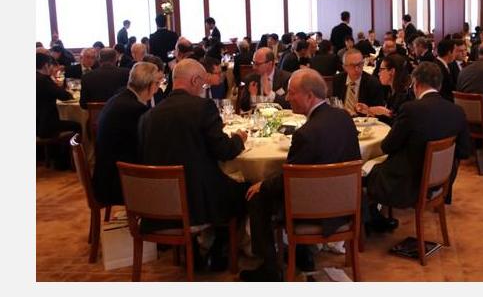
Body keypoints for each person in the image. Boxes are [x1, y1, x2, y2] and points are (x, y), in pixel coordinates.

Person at [240, 68, 362, 281]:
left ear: (309, 96)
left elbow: (290, 178)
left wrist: (262, 184)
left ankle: (270, 267)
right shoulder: (343, 117)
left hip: (316, 210)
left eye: (291, 93)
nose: (287, 98)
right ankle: (303, 254)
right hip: (346, 204)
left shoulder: (306, 134)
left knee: (256, 195)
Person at [137, 59, 248, 271]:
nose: (203, 89)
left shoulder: (148, 116)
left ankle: (194, 250)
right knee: (245, 190)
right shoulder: (203, 108)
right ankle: (218, 249)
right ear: (195, 80)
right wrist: (238, 139)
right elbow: (224, 151)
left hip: (156, 204)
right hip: (195, 204)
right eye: (203, 84)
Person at [365, 62, 472, 230]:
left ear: (416, 84)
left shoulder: (411, 109)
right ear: (439, 85)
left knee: (365, 172)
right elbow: (464, 151)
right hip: (441, 182)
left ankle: (369, 220)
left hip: (408, 184)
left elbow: (387, 146)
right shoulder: (457, 111)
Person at [91, 62, 161, 206]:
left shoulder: (119, 98)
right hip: (117, 183)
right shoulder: (134, 109)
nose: (158, 88)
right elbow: (144, 147)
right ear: (149, 85)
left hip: (105, 175)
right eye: (157, 83)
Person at [36, 52, 80, 170]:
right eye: (51, 65)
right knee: (77, 125)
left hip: (37, 122)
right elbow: (64, 96)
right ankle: (68, 162)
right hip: (45, 126)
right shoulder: (44, 80)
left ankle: (54, 158)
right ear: (46, 65)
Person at [357, 53, 413, 125]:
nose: (378, 73)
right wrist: (369, 110)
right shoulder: (390, 90)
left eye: (381, 70)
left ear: (392, 71)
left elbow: (401, 122)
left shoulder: (405, 94)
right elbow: (387, 118)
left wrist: (385, 112)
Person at [332, 48, 385, 114]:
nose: (357, 69)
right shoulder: (338, 79)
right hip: (342, 117)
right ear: (344, 67)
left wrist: (368, 110)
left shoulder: (373, 83)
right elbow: (335, 103)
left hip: (364, 119)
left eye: (359, 64)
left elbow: (378, 112)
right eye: (352, 65)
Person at [238, 47, 290, 111]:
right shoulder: (251, 79)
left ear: (270, 64)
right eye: (253, 63)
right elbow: (243, 107)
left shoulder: (286, 78)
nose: (254, 67)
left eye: (257, 64)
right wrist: (252, 96)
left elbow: (289, 105)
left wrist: (270, 94)